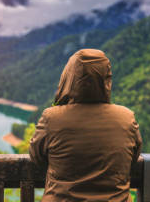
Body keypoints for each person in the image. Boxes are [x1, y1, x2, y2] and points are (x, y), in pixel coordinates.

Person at [29, 49, 142, 202]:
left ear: (69, 78)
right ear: (106, 79)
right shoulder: (126, 117)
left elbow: (37, 157)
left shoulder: (52, 117)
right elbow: (132, 157)